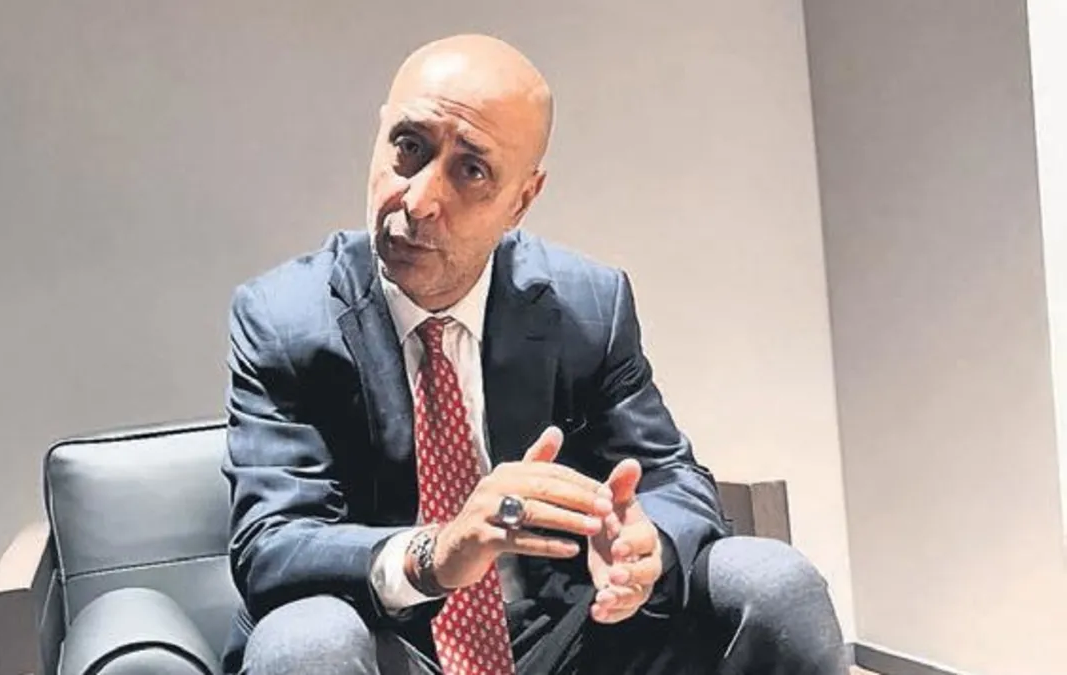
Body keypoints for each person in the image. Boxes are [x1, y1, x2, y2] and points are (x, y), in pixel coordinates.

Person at [221, 34, 847, 675]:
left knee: (775, 583)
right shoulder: (284, 317)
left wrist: (644, 545)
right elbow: (274, 545)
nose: (418, 200)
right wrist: (438, 552)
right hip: (389, 645)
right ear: (380, 135)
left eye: (471, 171)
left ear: (522, 200)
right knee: (306, 642)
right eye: (408, 147)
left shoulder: (586, 305)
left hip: (565, 637)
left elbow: (671, 478)